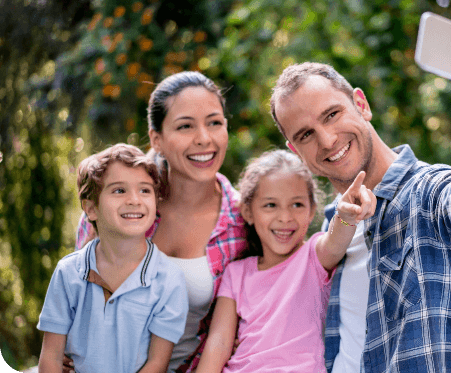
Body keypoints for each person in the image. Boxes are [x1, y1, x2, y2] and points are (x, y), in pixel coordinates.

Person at [269, 27, 451, 373]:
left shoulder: (427, 192)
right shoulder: (331, 228)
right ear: (296, 151)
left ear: (361, 104)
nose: (326, 140)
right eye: (306, 134)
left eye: (332, 114)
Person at [72, 72, 247, 373]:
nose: (204, 138)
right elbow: (76, 301)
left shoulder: (244, 221)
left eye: (215, 122)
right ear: (157, 139)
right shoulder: (114, 206)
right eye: (185, 126)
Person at [196, 150, 376, 372]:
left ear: (311, 211)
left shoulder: (314, 256)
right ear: (248, 212)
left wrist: (346, 216)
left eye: (297, 205)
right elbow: (219, 343)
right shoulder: (236, 272)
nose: (285, 217)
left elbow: (335, 241)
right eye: (271, 205)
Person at [37, 143, 188, 373]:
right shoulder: (68, 273)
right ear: (91, 208)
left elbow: (157, 364)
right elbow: (50, 357)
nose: (134, 200)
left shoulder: (169, 279)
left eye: (145, 190)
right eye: (119, 190)